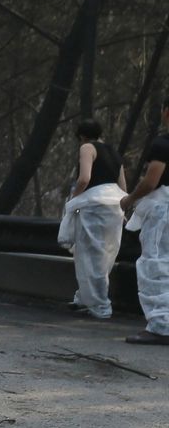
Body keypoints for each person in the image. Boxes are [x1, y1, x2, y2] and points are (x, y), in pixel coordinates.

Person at [58, 118, 128, 320]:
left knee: (89, 255)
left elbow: (84, 178)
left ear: (81, 136)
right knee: (105, 254)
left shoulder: (87, 147)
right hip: (114, 206)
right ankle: (84, 297)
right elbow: (122, 184)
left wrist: (74, 199)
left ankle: (100, 305)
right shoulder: (113, 151)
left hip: (94, 206)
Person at [120, 95, 169, 345]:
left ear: (166, 112)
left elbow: (151, 181)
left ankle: (161, 326)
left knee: (156, 265)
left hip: (163, 211)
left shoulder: (163, 144)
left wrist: (129, 200)